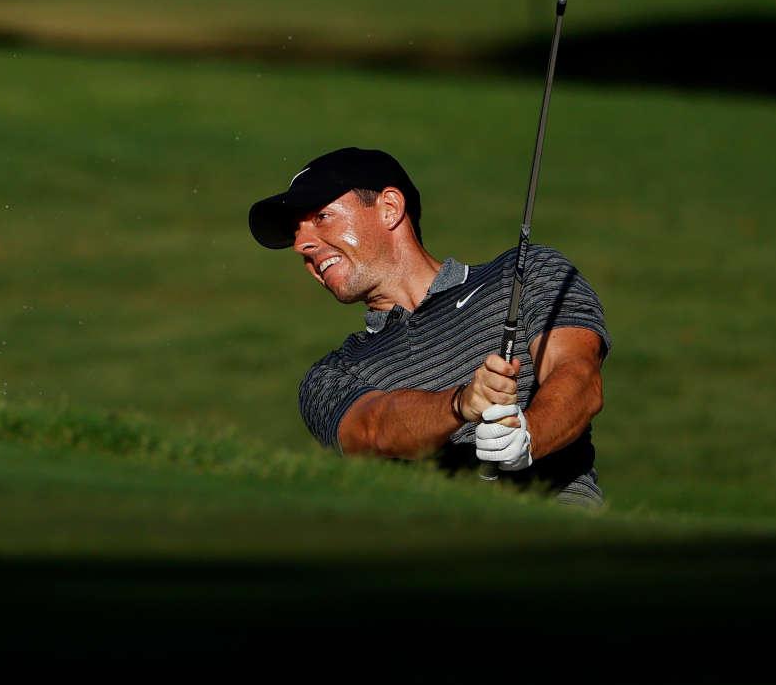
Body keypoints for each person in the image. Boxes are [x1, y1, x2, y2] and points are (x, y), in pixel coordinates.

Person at [249, 147, 608, 506]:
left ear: (390, 208)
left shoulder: (525, 272)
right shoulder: (329, 375)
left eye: (322, 217)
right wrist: (460, 404)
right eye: (296, 232)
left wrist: (530, 438)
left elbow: (578, 376)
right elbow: (374, 429)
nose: (300, 245)